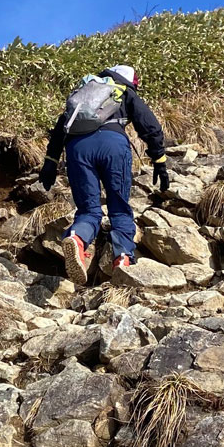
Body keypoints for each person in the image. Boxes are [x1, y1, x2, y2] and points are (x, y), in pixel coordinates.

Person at [38, 64, 170, 285]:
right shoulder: (124, 91)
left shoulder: (85, 92)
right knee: (119, 209)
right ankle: (123, 259)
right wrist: (159, 161)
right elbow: (150, 125)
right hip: (112, 145)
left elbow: (62, 126)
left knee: (89, 210)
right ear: (130, 81)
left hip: (77, 148)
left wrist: (50, 162)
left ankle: (77, 239)